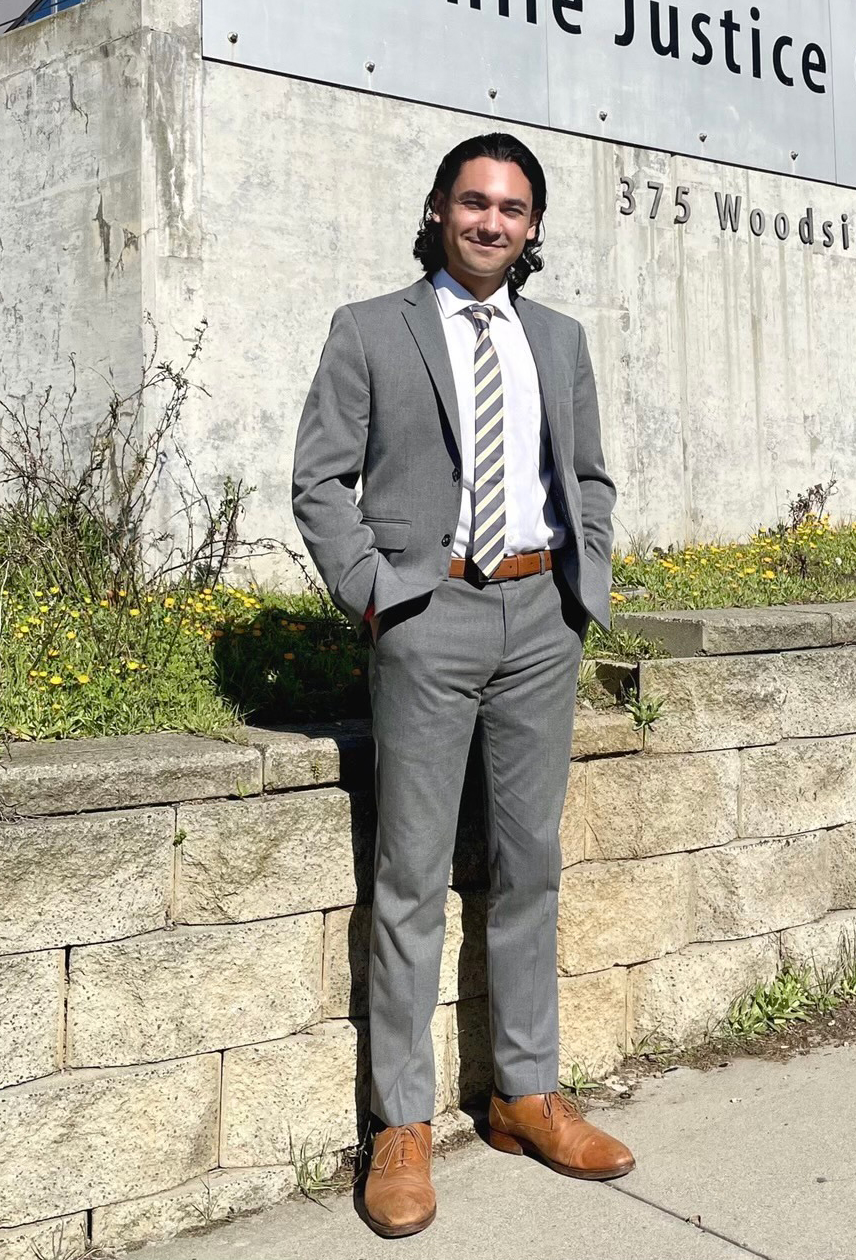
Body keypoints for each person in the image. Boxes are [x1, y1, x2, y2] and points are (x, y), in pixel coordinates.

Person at [292, 131, 634, 1238]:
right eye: (475, 202)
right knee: (411, 871)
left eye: (515, 208)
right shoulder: (371, 331)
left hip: (542, 616)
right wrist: (379, 594)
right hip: (428, 616)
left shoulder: (560, 339)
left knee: (531, 860)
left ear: (534, 228)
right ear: (441, 210)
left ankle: (523, 1093)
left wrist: (588, 584)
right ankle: (400, 1126)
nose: (493, 222)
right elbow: (318, 481)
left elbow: (587, 476)